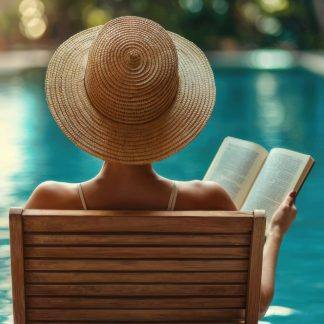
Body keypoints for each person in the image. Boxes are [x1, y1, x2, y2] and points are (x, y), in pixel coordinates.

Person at [25, 16, 297, 319]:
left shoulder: (47, 202)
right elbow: (254, 309)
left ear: (89, 114)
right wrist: (274, 233)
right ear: (171, 118)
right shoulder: (210, 201)